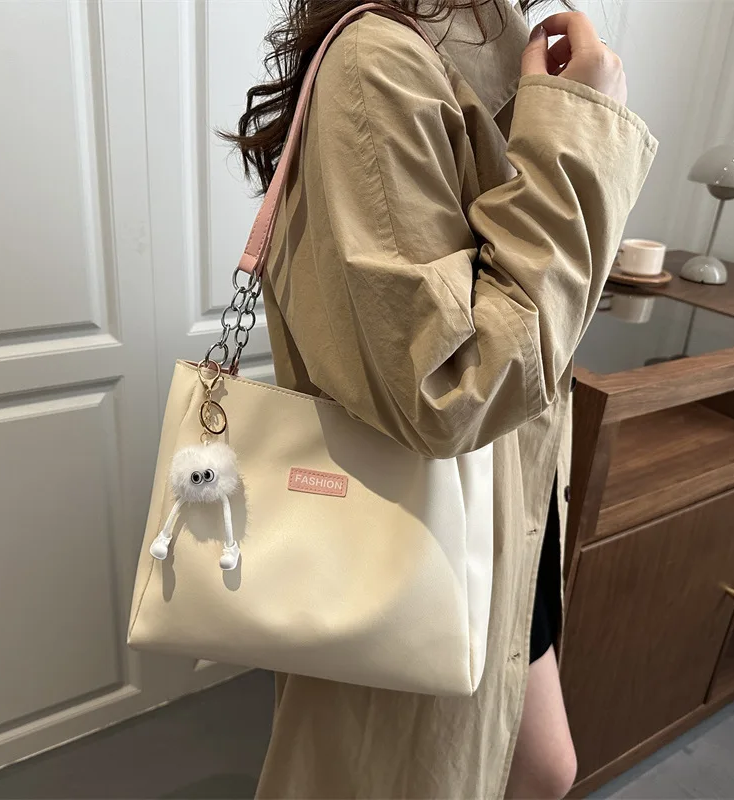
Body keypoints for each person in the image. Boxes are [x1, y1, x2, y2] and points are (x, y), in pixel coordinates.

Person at [224, 1, 657, 797]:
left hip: (506, 494)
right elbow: (449, 387)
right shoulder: (379, 62)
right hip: (432, 511)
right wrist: (578, 139)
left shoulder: (489, 39)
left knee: (540, 766)